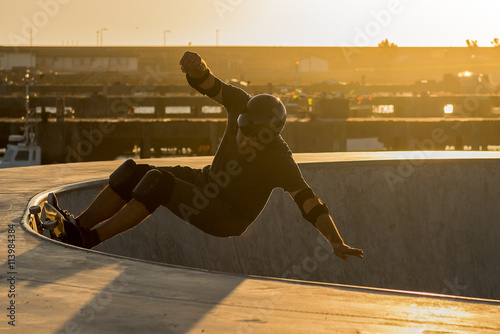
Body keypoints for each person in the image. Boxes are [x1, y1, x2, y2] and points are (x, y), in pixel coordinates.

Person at [51, 51, 363, 262]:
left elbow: (308, 201)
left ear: (268, 138)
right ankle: (76, 225)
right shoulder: (241, 103)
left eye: (251, 140)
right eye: (241, 130)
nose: (241, 139)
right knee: (133, 172)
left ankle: (89, 239)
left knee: (157, 184)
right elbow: (209, 83)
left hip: (225, 214)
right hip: (205, 181)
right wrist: (198, 67)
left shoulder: (280, 159)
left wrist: (334, 240)